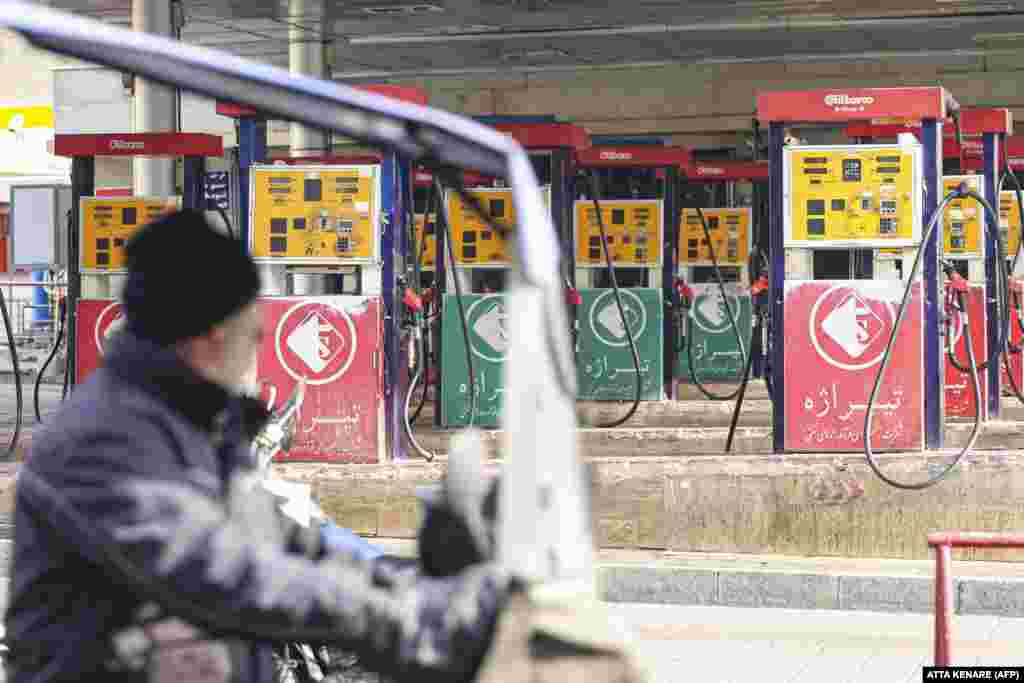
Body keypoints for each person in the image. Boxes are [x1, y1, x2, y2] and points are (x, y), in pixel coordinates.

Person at [4, 209, 508, 683]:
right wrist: (396, 621)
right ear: (213, 336)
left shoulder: (193, 422)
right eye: (255, 336)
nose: (260, 351)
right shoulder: (105, 439)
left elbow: (284, 539)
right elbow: (220, 571)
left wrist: (406, 586)